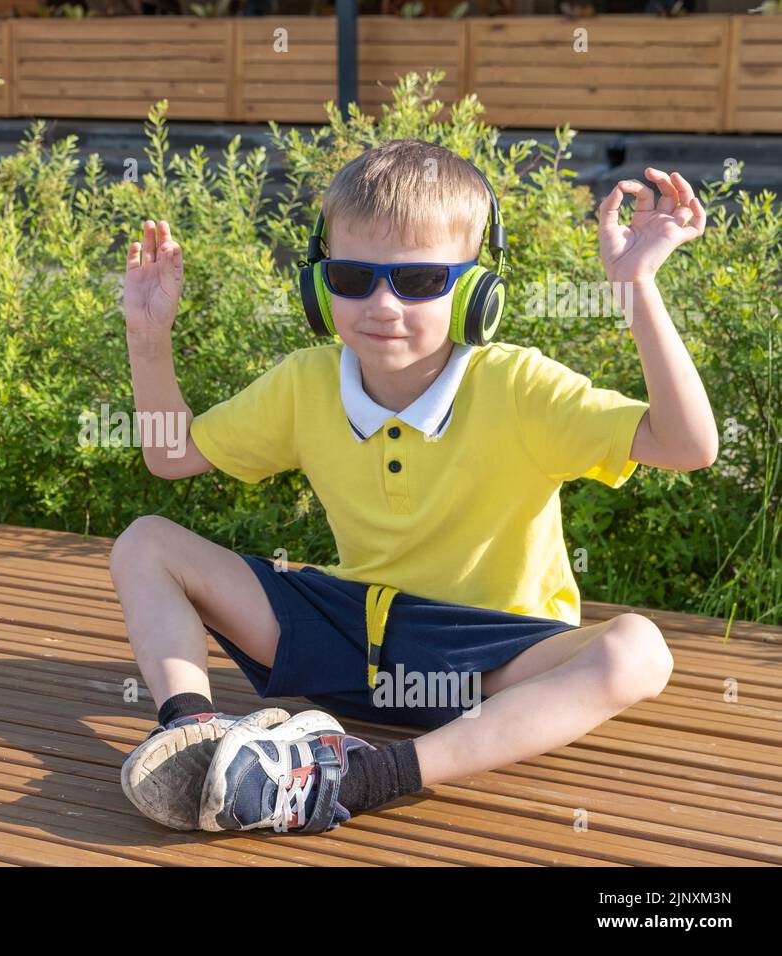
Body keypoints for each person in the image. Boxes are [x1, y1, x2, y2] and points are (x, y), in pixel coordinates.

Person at [114, 138, 716, 834]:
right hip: (350, 637)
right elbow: (171, 455)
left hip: (493, 665)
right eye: (351, 276)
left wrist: (638, 288)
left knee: (639, 650)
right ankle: (194, 734)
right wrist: (148, 334)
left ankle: (362, 777)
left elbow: (688, 446)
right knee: (146, 543)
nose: (382, 304)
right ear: (319, 283)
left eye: (421, 281)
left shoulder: (519, 385)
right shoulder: (306, 382)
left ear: (475, 290)